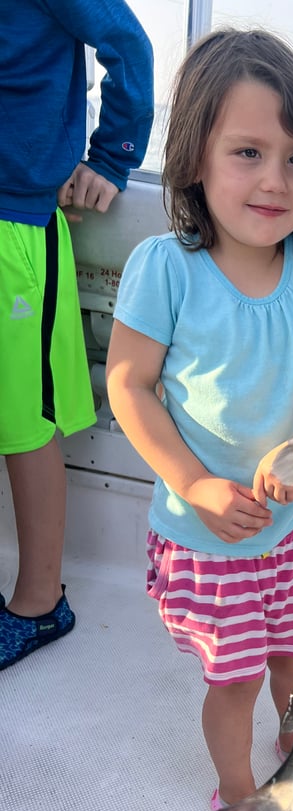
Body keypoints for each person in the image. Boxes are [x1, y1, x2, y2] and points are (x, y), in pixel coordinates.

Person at [106, 29, 293, 811]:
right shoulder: (164, 268)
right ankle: (242, 798)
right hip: (206, 537)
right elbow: (130, 385)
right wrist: (196, 484)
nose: (275, 181)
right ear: (193, 159)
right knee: (238, 680)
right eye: (248, 151)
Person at [0, 0, 153, 670]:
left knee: (22, 422)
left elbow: (127, 44)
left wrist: (113, 158)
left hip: (16, 229)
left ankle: (38, 605)